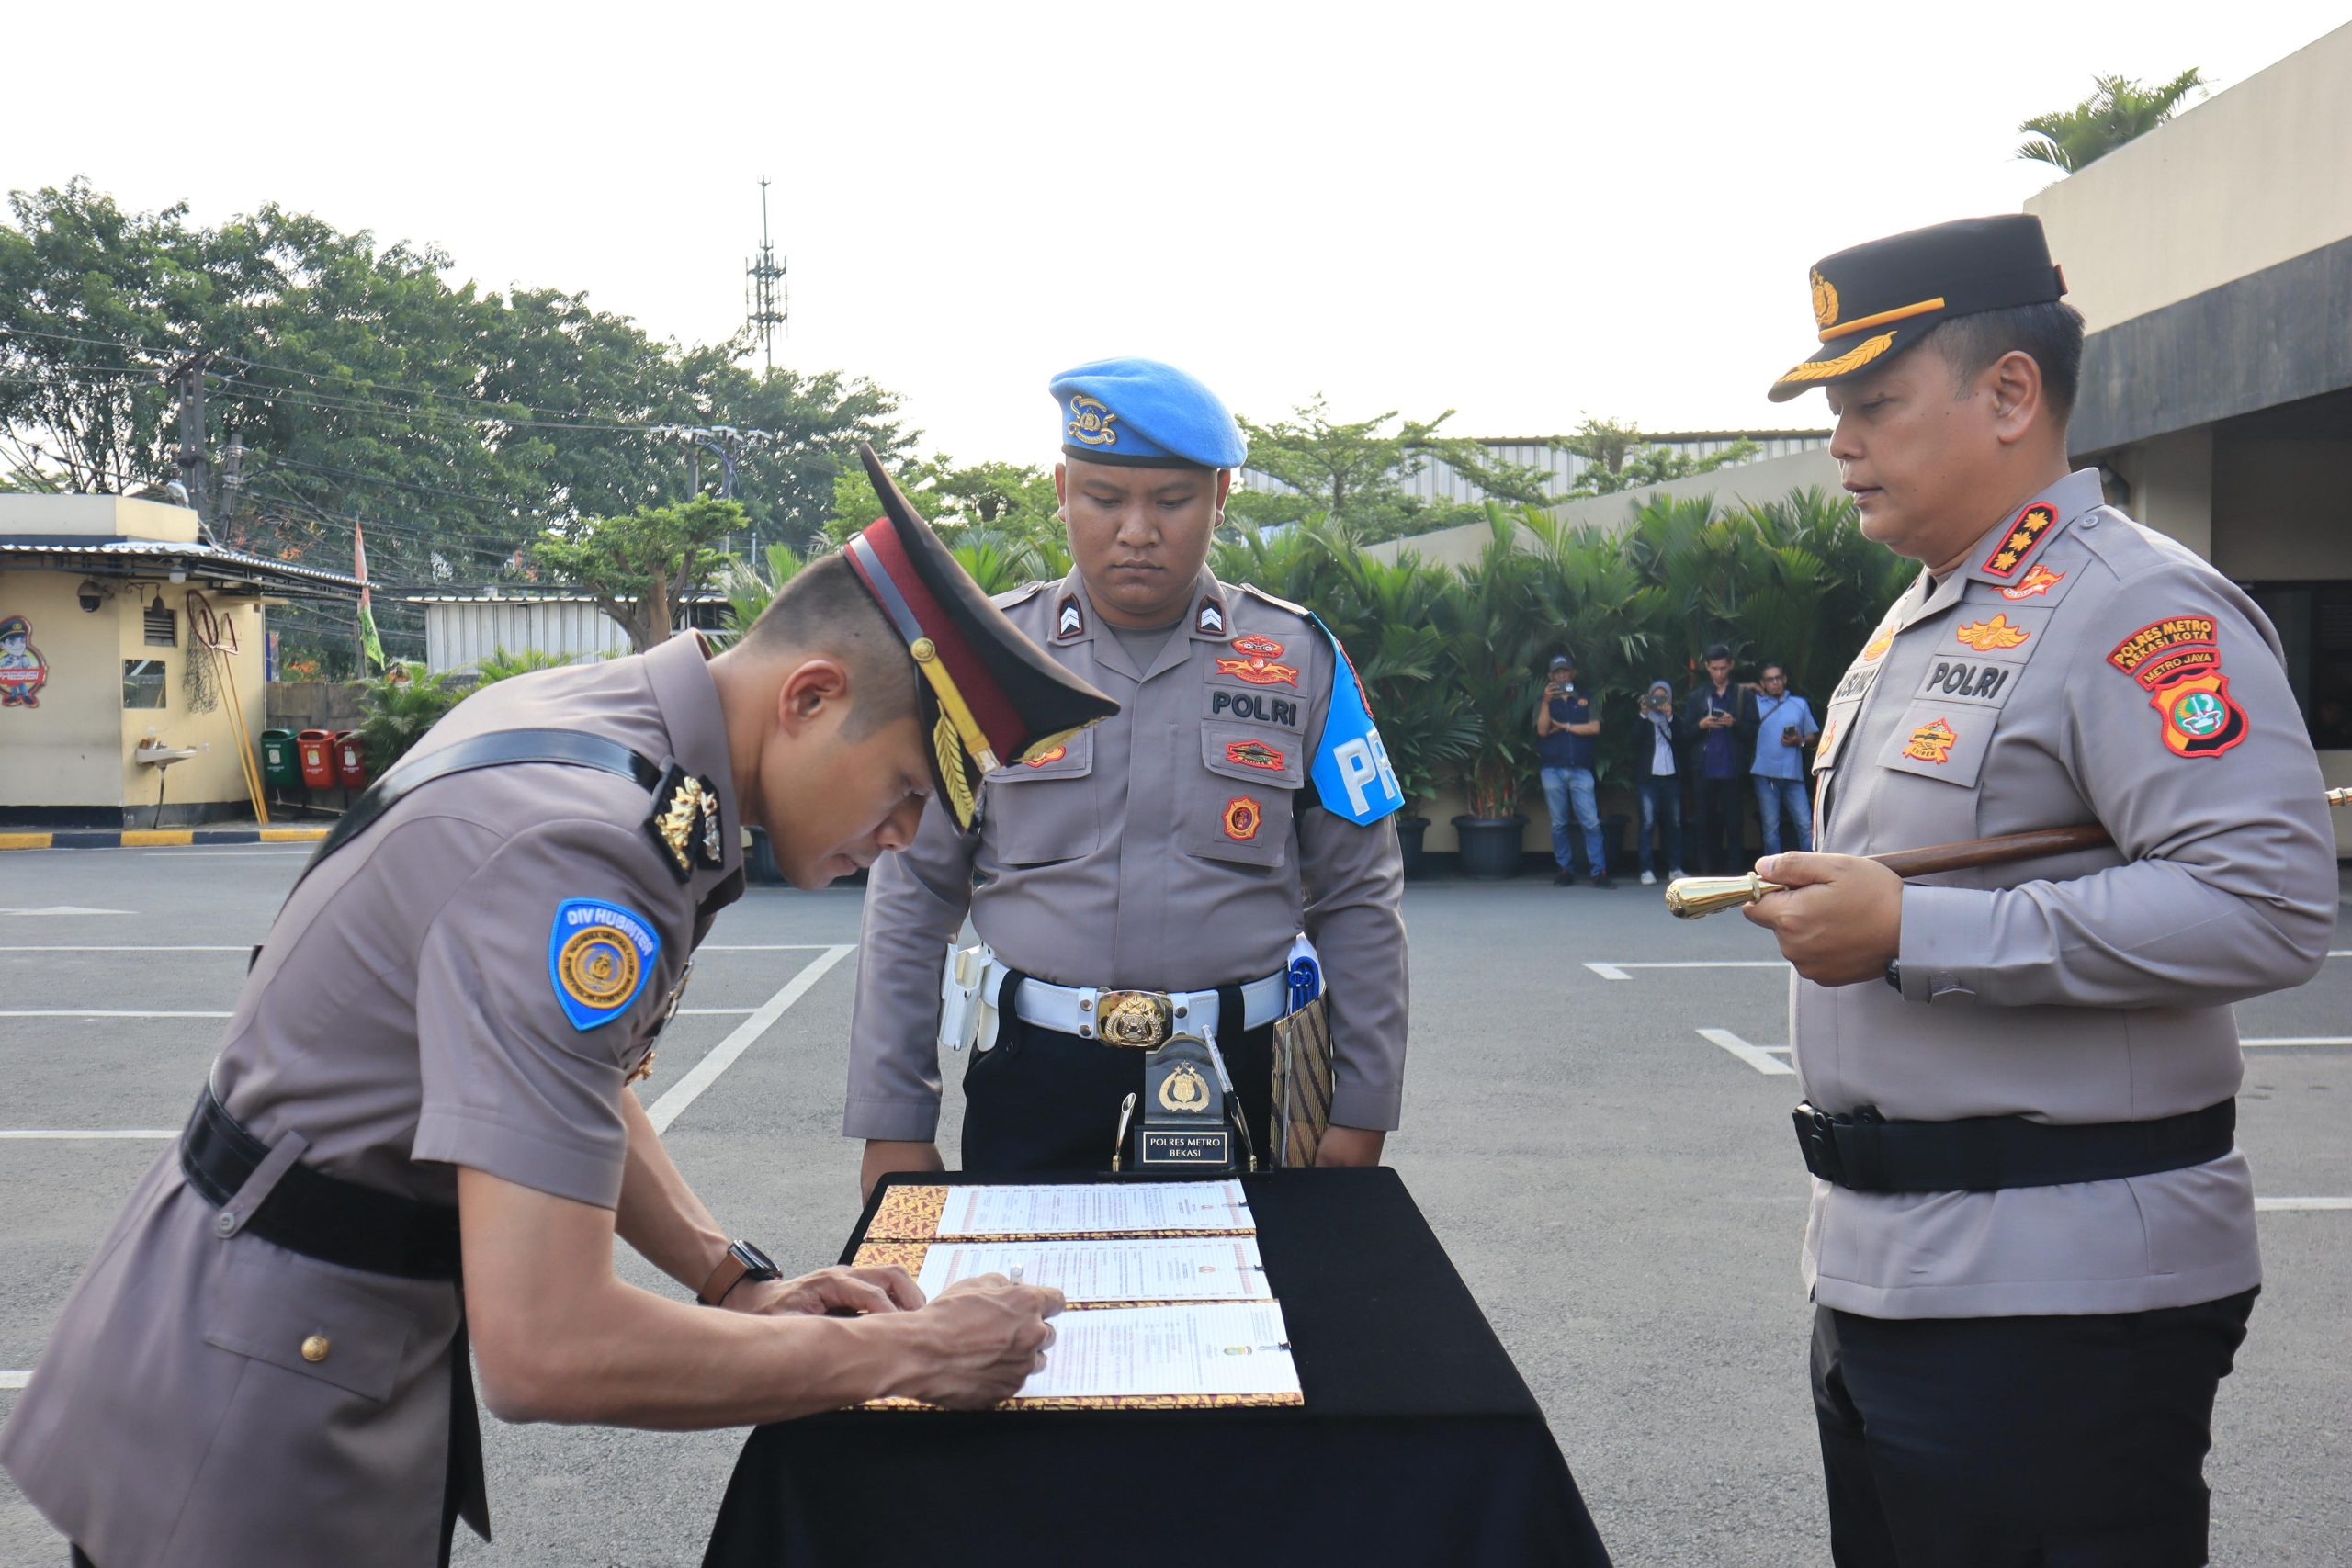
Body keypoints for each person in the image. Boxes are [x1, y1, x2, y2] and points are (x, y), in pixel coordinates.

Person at [0, 446, 1111, 1568]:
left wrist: (734, 1282)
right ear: (810, 698)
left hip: (265, 1334)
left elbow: (555, 1085)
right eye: (910, 791)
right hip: (249, 1417)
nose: (907, 840)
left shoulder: (614, 729)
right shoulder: (582, 852)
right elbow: (553, 1347)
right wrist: (913, 1360)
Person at [1742, 214, 2336, 1567]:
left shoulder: (2136, 607)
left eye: (1875, 404)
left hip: (2062, 1291)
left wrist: (1912, 929)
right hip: (1896, 1267)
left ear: (2012, 394)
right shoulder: (1925, 609)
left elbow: (2270, 899)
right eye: (1838, 410)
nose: (1843, 442)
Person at [847, 356, 1408, 1190]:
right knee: (1024, 1318)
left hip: (1247, 1082)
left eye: (1171, 501)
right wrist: (894, 1122)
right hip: (1034, 1084)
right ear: (1062, 487)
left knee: (1247, 1320)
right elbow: (914, 895)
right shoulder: (981, 663)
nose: (1136, 530)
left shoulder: (1300, 661)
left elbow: (1359, 896)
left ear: (1220, 497)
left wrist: (1360, 1111)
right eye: (1105, 498)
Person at [1536, 651, 1611, 888]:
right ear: (1550, 675)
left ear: (1573, 673)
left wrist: (1564, 726)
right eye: (1556, 672)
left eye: (1565, 671)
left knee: (1590, 822)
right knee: (1559, 822)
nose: (1561, 675)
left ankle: (1599, 872)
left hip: (1581, 769)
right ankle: (1564, 869)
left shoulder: (1587, 699)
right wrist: (1547, 703)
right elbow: (1541, 730)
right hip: (1552, 769)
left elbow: (1594, 728)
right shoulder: (1544, 702)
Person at [1738, 660, 1818, 855]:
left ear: (1785, 679)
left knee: (1805, 824)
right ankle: (1773, 874)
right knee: (1770, 827)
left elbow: (1813, 736)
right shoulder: (1755, 703)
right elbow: (1731, 691)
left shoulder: (1799, 704)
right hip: (1765, 774)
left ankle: (1811, 868)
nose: (1775, 683)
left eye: (1778, 678)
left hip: (1793, 774)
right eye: (1769, 679)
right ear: (1762, 683)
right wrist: (1751, 687)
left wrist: (1799, 740)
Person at [1682, 644, 1747, 872]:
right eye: (1715, 669)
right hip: (1705, 769)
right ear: (1707, 668)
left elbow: (1754, 731)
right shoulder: (1698, 697)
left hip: (1732, 769)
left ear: (1730, 666)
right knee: (1704, 823)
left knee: (1735, 824)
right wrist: (1701, 725)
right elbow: (1685, 733)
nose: (1719, 673)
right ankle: (1706, 871)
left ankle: (1736, 872)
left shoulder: (1741, 695)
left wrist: (1734, 723)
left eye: (1723, 668)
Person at [1630, 677, 1686, 886]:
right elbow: (1633, 741)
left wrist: (1670, 716)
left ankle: (1675, 868)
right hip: (1648, 779)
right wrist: (1644, 714)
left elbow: (1683, 741)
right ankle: (1646, 869)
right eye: (1656, 696)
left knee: (1675, 823)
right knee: (1647, 823)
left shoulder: (1675, 720)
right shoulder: (1644, 721)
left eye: (1664, 696)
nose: (1659, 700)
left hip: (1671, 777)